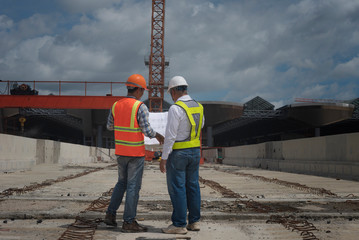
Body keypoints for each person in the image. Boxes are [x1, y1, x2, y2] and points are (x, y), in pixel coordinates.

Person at [104, 74, 164, 232]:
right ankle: (129, 222)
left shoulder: (116, 105)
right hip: (135, 153)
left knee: (121, 183)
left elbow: (109, 126)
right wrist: (157, 135)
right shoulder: (140, 107)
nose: (143, 93)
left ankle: (110, 215)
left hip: (121, 152)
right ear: (137, 89)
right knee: (132, 187)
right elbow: (147, 130)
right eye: (142, 90)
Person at [160, 76, 205, 234]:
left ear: (173, 91)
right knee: (193, 186)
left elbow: (171, 135)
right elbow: (201, 126)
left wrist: (163, 158)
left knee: (178, 188)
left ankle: (179, 224)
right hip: (194, 152)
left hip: (179, 153)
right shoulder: (199, 106)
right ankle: (194, 222)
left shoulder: (175, 108)